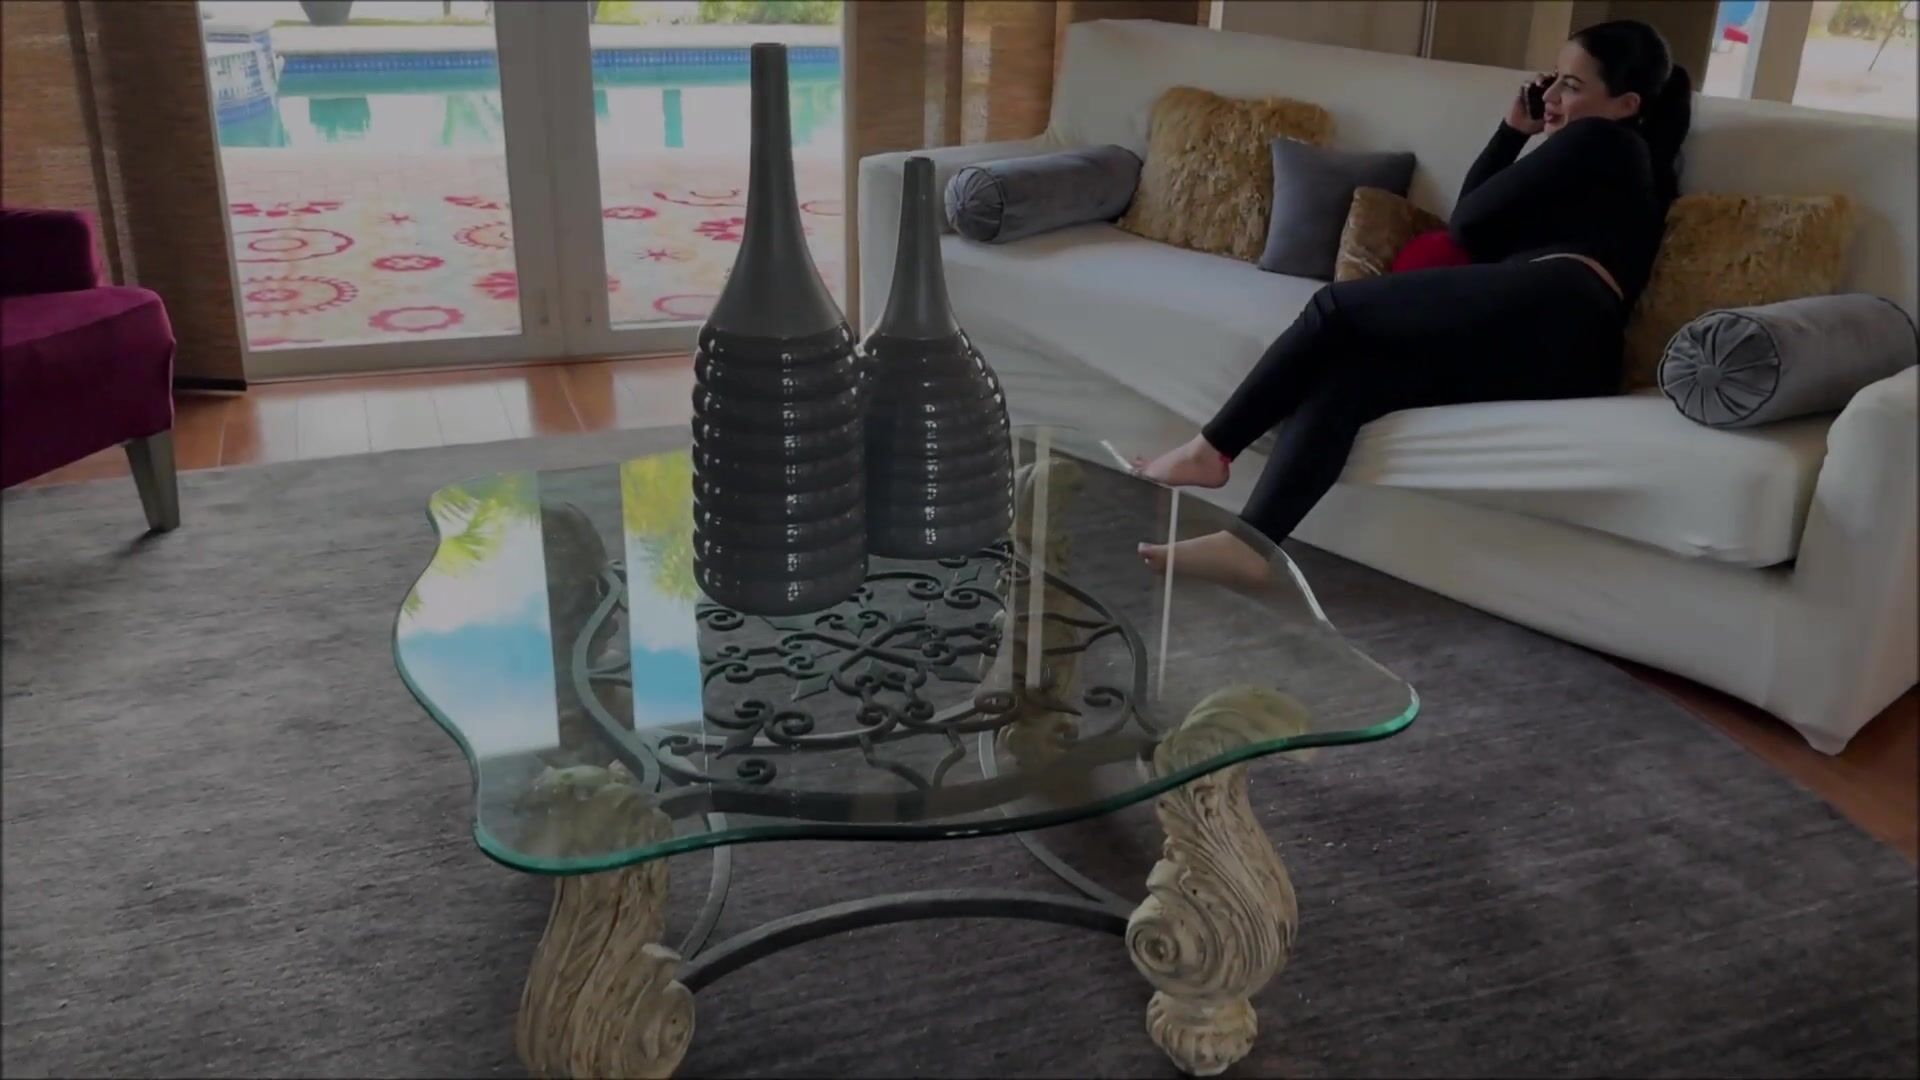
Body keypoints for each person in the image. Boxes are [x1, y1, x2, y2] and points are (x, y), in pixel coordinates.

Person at [1133, 19, 1693, 582]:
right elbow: (1477, 229)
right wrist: (1512, 132)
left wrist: (1512, 138)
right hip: (1567, 351)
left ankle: (1211, 449)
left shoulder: (1601, 140)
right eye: (1553, 79)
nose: (1549, 96)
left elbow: (1468, 224)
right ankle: (1250, 545)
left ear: (1625, 104)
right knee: (1351, 379)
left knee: (1336, 309)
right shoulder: (1614, 164)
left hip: (1558, 303)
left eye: (1571, 85)